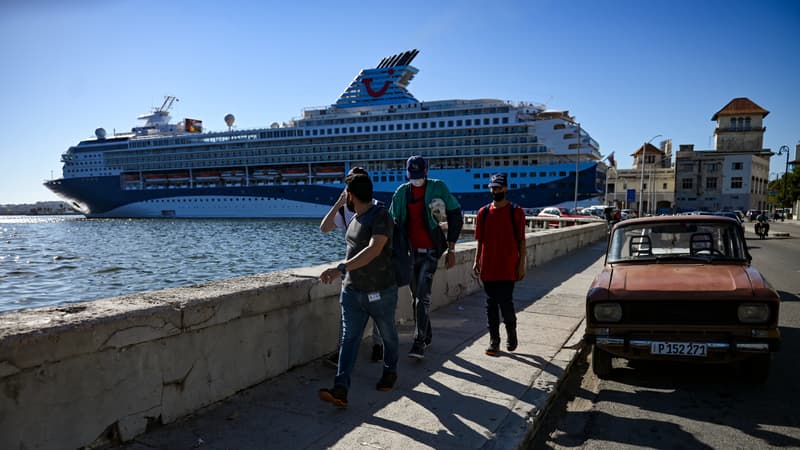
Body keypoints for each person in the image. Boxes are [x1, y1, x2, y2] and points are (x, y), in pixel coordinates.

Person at [318, 173, 400, 408]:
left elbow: (375, 249)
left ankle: (390, 371)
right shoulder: (354, 218)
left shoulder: (381, 215)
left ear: (351, 196)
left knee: (388, 335)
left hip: (381, 291)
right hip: (352, 292)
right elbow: (326, 228)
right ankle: (340, 388)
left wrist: (340, 268)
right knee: (349, 339)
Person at [389, 155, 463, 359]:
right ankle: (427, 334)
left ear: (426, 172)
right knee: (416, 298)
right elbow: (392, 223)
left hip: (431, 251)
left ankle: (418, 342)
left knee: (423, 297)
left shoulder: (438, 187)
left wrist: (452, 248)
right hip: (410, 253)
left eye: (419, 175)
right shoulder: (401, 193)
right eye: (412, 176)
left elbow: (456, 214)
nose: (416, 179)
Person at [319, 167, 384, 366]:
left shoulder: (378, 207)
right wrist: (339, 203)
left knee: (377, 310)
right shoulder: (344, 209)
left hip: (374, 269)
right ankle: (342, 353)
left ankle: (378, 347)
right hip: (351, 267)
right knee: (347, 312)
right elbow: (324, 228)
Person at [472, 173, 526, 356]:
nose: (495, 191)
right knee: (490, 304)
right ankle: (494, 341)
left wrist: (521, 264)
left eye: (499, 187)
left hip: (507, 266)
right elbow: (479, 240)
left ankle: (511, 332)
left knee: (506, 303)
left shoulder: (516, 212)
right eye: (493, 187)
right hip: (488, 266)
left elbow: (521, 241)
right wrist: (476, 260)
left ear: (506, 188)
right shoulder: (483, 213)